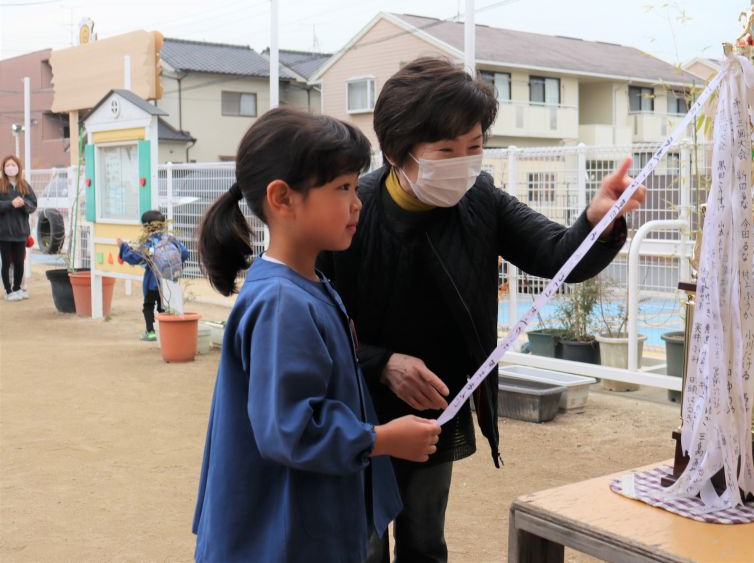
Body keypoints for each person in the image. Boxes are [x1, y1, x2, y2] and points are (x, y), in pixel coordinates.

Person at [318, 57, 646, 562]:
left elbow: (559, 255)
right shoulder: (350, 212)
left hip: (435, 406)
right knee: (359, 543)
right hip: (354, 408)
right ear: (398, 152)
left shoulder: (481, 200)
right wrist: (382, 363)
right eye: (446, 151)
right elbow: (316, 321)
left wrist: (598, 222)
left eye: (474, 148)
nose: (464, 164)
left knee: (425, 539)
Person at [192, 107, 441, 563]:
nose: (357, 201)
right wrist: (381, 439)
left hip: (297, 519)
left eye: (354, 185)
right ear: (283, 198)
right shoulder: (283, 302)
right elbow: (288, 427)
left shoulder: (306, 285)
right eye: (342, 187)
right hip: (280, 534)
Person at [117, 210, 190, 340]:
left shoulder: (149, 243)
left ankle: (150, 332)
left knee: (148, 306)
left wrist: (123, 246)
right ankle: (167, 332)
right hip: (169, 281)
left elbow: (134, 257)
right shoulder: (170, 239)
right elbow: (184, 253)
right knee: (165, 307)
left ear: (147, 227)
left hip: (152, 282)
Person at [0, 155, 37, 302]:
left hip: (21, 231)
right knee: (6, 262)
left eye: (13, 165)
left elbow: (33, 204)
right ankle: (8, 291)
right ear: (3, 168)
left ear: (18, 167)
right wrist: (10, 203)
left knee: (20, 262)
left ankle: (17, 288)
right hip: (4, 232)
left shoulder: (24, 185)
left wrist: (23, 203)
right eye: (7, 165)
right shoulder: (1, 184)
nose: (10, 167)